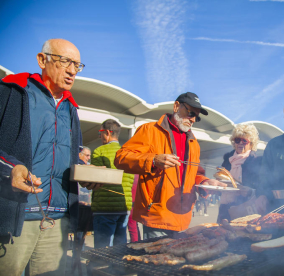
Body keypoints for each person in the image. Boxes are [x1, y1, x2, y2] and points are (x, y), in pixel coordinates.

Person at [0, 39, 100, 276]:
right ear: (42, 60)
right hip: (17, 213)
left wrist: (85, 174)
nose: (72, 71)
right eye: (65, 61)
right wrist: (10, 169)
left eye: (77, 65)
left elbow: (68, 159)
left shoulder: (71, 109)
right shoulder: (12, 93)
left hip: (57, 217)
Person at [114, 92, 226, 239]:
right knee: (157, 260)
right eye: (190, 113)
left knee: (176, 260)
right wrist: (153, 160)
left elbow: (196, 174)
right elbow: (121, 158)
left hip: (183, 218)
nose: (192, 119)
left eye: (196, 117)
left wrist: (206, 182)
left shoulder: (194, 143)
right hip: (157, 216)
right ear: (176, 106)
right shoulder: (150, 130)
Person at [91, 119, 134, 248]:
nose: (100, 136)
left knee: (103, 249)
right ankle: (118, 268)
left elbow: (94, 178)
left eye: (101, 132)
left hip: (105, 207)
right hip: (124, 206)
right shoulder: (128, 154)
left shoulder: (99, 151)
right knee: (120, 247)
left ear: (108, 133)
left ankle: (100, 268)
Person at [217, 123, 263, 221]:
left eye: (244, 140)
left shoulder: (257, 162)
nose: (240, 143)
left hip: (244, 209)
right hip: (224, 209)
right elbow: (221, 181)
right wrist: (217, 184)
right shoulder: (227, 160)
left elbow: (263, 188)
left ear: (251, 144)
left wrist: (251, 191)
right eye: (237, 140)